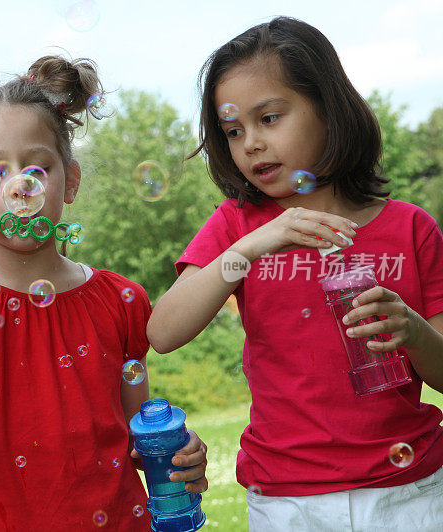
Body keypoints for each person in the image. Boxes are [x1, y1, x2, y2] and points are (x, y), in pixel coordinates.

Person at [0, 56, 209, 531]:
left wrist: (175, 451)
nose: (19, 187)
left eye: (37, 169)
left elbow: (138, 434)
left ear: (70, 181)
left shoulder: (120, 299)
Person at [148, 16, 443, 530]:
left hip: (409, 491)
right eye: (233, 130)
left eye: (269, 119)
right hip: (286, 498)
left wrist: (412, 330)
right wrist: (252, 245)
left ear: (329, 111)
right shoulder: (239, 227)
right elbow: (163, 330)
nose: (251, 144)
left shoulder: (411, 229)